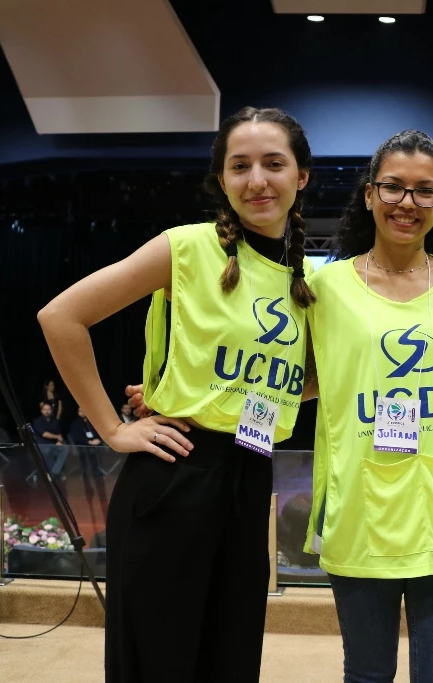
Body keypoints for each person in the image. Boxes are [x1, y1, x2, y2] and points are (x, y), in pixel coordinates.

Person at [38, 106, 316, 682]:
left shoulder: (307, 277)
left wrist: (219, 391)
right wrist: (113, 429)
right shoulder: (185, 247)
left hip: (250, 473)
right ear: (221, 179)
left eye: (274, 164)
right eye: (239, 166)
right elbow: (61, 317)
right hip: (176, 473)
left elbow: (305, 379)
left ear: (301, 176)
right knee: (160, 661)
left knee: (230, 656)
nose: (257, 180)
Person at [302, 130, 433, 682]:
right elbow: (298, 380)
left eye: (425, 190)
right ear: (369, 194)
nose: (408, 202)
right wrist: (185, 398)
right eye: (393, 187)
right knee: (366, 675)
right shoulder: (324, 287)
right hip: (362, 513)